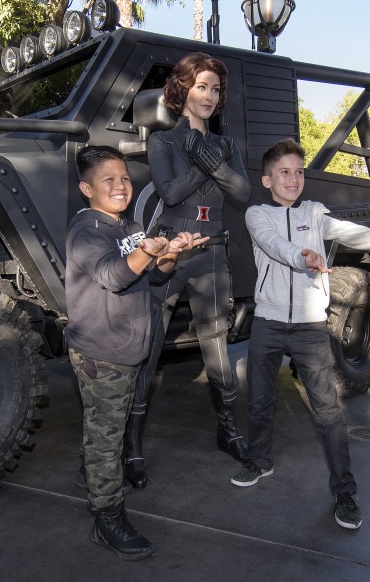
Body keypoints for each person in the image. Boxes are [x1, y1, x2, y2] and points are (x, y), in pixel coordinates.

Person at [235, 138, 370, 530]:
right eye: (284, 172)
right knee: (259, 402)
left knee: (328, 413)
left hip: (309, 327)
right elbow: (274, 245)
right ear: (268, 180)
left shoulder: (315, 212)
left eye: (299, 172)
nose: (293, 178)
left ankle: (344, 491)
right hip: (268, 323)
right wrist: (302, 256)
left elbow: (346, 231)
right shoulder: (257, 215)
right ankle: (259, 462)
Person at [65, 145, 207, 560]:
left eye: (124, 178)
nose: (120, 185)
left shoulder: (127, 225)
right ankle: (106, 517)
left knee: (105, 425)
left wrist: (166, 258)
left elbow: (151, 283)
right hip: (102, 350)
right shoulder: (88, 230)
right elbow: (113, 276)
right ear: (86, 188)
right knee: (107, 436)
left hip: (128, 348)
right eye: (108, 179)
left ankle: (91, 471)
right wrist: (148, 252)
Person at [125, 52, 252, 488]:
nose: (210, 96)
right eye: (201, 86)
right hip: (172, 251)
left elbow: (245, 190)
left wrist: (212, 160)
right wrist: (205, 162)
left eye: (216, 89)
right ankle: (132, 447)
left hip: (213, 252)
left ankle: (229, 431)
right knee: (150, 347)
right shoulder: (163, 141)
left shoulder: (227, 145)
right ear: (183, 91)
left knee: (217, 348)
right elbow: (171, 192)